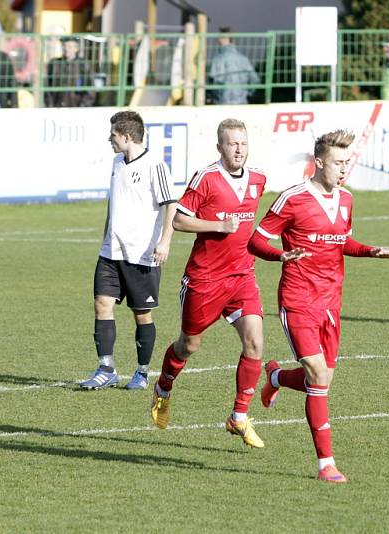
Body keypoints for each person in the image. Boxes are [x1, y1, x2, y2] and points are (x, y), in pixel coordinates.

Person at [248, 129, 389, 483]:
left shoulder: (347, 200)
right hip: (298, 300)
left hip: (331, 302)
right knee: (318, 377)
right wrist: (281, 255)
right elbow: (255, 241)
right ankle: (326, 465)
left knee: (320, 381)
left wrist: (372, 251)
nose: (344, 169)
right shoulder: (292, 199)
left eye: (347, 162)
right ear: (318, 163)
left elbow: (341, 241)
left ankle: (275, 376)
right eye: (337, 162)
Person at [150, 118, 270, 449]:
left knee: (255, 343)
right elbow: (179, 218)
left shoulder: (258, 180)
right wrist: (217, 226)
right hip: (205, 279)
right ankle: (163, 387)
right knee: (189, 345)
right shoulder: (207, 178)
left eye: (243, 143)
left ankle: (239, 416)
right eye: (232, 143)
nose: (239, 149)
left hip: (242, 276)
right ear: (220, 147)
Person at [80, 111, 177, 390]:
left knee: (141, 314)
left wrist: (165, 241)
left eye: (112, 135)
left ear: (126, 136)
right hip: (111, 252)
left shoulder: (155, 164)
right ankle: (106, 367)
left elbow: (170, 203)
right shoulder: (116, 162)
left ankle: (142, 372)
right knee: (102, 305)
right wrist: (105, 236)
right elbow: (114, 203)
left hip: (142, 254)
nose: (109, 139)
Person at [209, 28, 259, 105]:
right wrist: (247, 94)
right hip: (242, 102)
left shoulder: (218, 59)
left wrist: (215, 97)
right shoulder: (244, 59)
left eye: (219, 37)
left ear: (225, 39)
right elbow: (255, 80)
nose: (218, 40)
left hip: (223, 103)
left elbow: (215, 83)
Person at [45, 37, 96, 108]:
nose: (66, 49)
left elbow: (91, 89)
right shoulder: (54, 63)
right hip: (57, 107)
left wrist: (82, 106)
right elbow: (47, 86)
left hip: (76, 108)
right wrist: (50, 106)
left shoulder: (83, 65)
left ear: (76, 48)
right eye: (64, 46)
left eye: (69, 46)